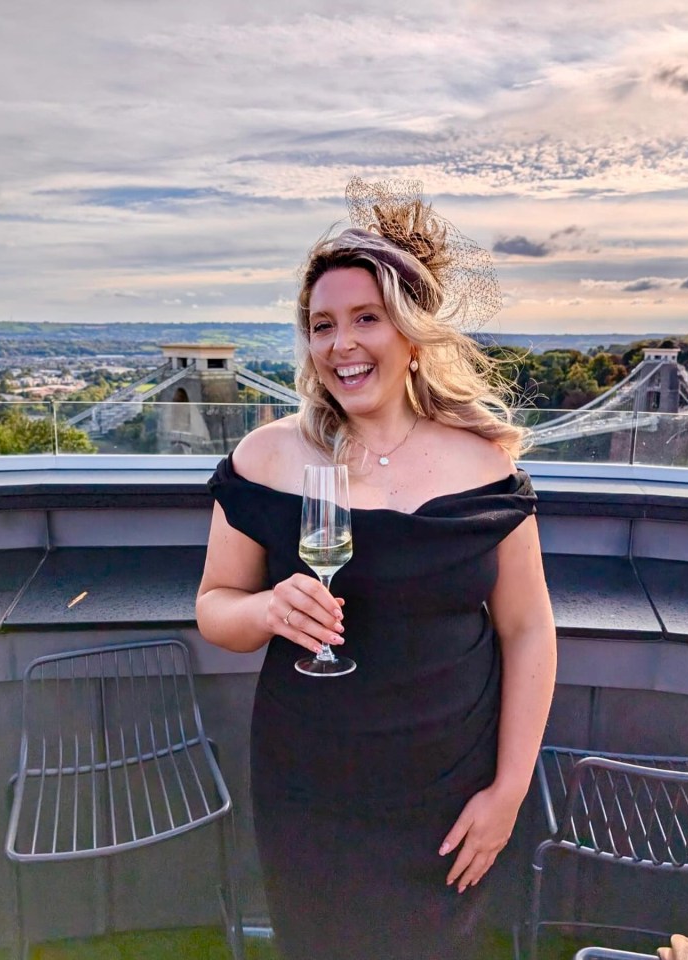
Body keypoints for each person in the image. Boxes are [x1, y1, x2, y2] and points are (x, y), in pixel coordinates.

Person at [196, 177, 557, 960]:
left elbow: (528, 630)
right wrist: (263, 612)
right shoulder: (266, 457)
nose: (340, 344)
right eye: (322, 324)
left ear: (414, 334)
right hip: (309, 786)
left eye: (367, 318)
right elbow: (215, 607)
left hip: (450, 786)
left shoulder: (485, 463)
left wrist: (509, 790)